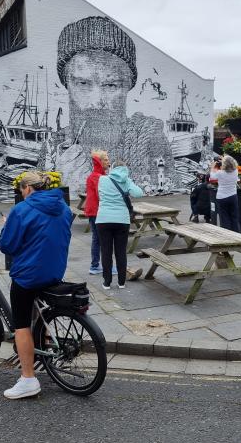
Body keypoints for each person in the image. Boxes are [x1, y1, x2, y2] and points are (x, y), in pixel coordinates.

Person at [55, 16, 176, 193]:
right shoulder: (52, 147)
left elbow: (168, 189)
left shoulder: (150, 139)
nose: (97, 102)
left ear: (128, 87)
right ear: (67, 84)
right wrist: (64, 187)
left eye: (111, 85)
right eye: (83, 83)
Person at [0, 171, 72, 399]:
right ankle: (44, 343)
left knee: (20, 324)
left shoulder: (21, 210)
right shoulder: (63, 207)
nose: (21, 194)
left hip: (28, 275)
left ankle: (28, 379)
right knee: (38, 310)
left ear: (28, 188)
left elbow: (7, 246)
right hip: (54, 271)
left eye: (21, 190)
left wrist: (6, 226)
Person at [96, 161, 144, 289]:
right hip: (122, 220)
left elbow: (98, 194)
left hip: (103, 219)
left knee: (106, 251)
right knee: (121, 252)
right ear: (125, 169)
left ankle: (107, 282)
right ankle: (121, 282)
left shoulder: (102, 179)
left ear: (112, 168)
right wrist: (128, 183)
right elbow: (139, 193)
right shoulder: (126, 181)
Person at [84, 150, 110, 275]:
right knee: (99, 239)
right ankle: (96, 266)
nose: (108, 162)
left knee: (98, 239)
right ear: (99, 162)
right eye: (105, 159)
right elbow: (102, 195)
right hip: (96, 211)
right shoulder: (97, 177)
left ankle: (96, 265)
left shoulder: (96, 175)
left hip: (94, 211)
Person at [210, 155, 240, 232]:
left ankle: (227, 236)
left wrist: (212, 167)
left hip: (222, 197)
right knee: (234, 217)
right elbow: (230, 163)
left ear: (224, 164)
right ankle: (237, 235)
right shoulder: (235, 171)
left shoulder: (220, 173)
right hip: (233, 196)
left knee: (224, 218)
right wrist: (225, 159)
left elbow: (212, 178)